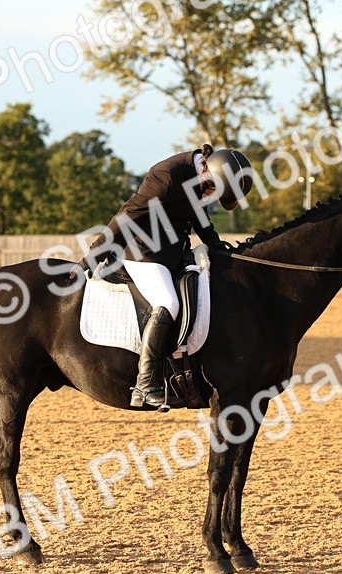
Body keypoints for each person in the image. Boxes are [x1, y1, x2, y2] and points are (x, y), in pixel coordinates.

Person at [89, 143, 254, 410]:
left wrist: (215, 244)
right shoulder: (166, 177)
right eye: (212, 189)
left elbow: (196, 213)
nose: (211, 195)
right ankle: (145, 384)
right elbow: (128, 215)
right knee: (168, 303)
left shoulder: (202, 176)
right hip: (142, 253)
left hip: (174, 253)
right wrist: (95, 253)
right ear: (206, 169)